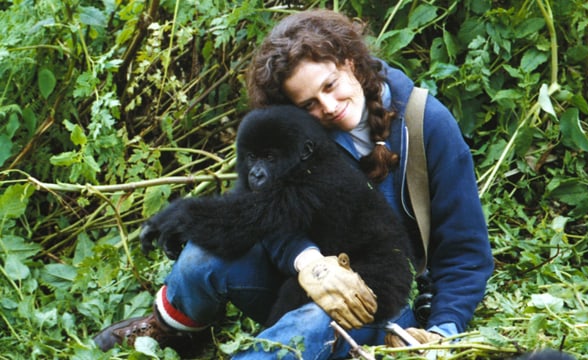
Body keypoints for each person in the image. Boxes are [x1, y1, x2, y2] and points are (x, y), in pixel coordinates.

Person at [93, 8, 494, 358]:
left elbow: (466, 252)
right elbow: (262, 215)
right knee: (202, 255)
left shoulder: (428, 125)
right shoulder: (294, 136)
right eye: (309, 104)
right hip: (299, 276)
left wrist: (443, 333)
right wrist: (308, 261)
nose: (330, 108)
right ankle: (173, 332)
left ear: (352, 62)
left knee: (310, 326)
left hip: (381, 294)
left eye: (331, 85)